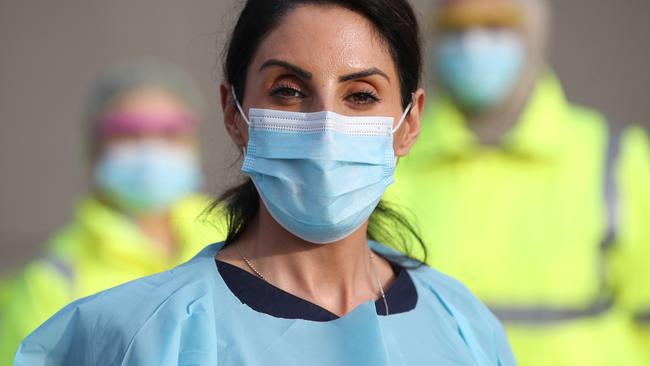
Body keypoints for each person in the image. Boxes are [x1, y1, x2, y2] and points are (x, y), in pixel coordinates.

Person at [13, 1, 517, 365]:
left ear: (409, 122)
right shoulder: (132, 336)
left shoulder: (464, 325)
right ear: (234, 112)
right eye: (289, 90)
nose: (325, 125)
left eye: (361, 95)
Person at [386, 0, 650, 364]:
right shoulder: (392, 160)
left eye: (496, 26)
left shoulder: (618, 159)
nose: (474, 44)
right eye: (457, 29)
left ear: (532, 33)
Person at [1, 61, 226, 365]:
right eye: (127, 133)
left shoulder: (242, 234)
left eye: (170, 132)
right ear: (92, 151)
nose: (151, 149)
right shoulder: (49, 283)